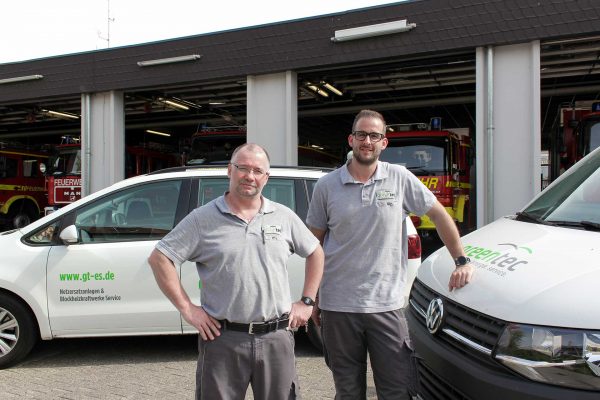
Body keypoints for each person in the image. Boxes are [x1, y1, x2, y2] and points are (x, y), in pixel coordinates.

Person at [306, 110, 473, 400]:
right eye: (361, 135)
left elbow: (439, 214)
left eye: (374, 136)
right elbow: (314, 246)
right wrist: (313, 297)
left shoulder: (400, 178)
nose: (367, 141)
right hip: (339, 307)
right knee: (347, 391)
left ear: (384, 143)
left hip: (387, 306)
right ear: (351, 140)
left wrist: (461, 259)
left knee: (396, 389)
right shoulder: (326, 186)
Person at [148, 143, 324, 400]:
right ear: (230, 170)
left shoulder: (283, 216)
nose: (249, 176)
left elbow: (316, 252)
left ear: (267, 177)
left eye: (257, 170)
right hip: (223, 340)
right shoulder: (202, 219)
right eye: (242, 168)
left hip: (277, 338)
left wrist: (308, 301)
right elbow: (160, 258)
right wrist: (188, 309)